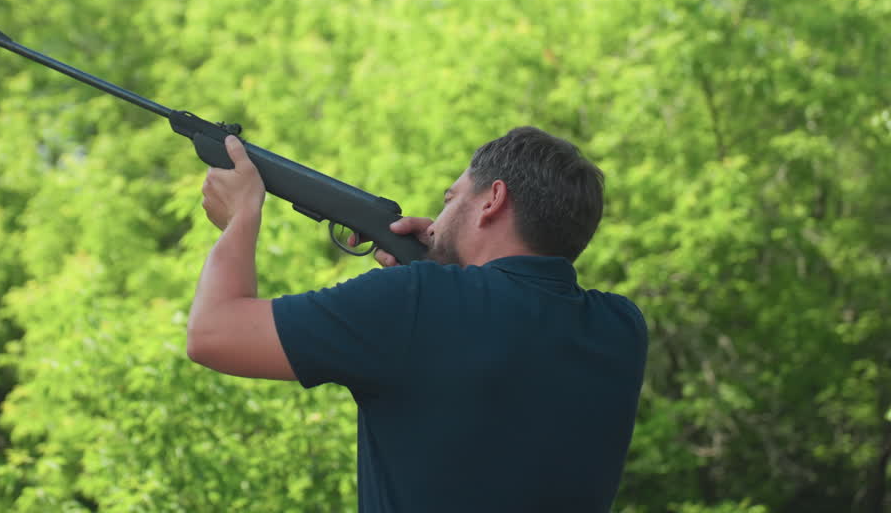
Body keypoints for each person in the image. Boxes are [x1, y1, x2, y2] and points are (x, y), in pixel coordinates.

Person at [185, 126, 648, 512]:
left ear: (493, 200)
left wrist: (241, 215)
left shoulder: (417, 300)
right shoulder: (621, 329)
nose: (436, 217)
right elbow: (510, 317)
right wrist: (454, 254)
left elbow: (212, 332)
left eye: (451, 200)